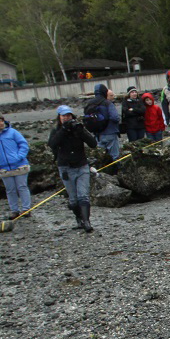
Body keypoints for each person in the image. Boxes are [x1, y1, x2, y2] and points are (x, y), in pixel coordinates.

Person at [48, 105, 97, 233]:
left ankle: (87, 222)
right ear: (59, 117)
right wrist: (63, 130)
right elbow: (52, 144)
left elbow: (93, 144)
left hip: (81, 165)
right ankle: (79, 219)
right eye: (64, 116)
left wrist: (81, 132)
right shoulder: (56, 131)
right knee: (74, 199)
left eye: (68, 115)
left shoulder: (78, 128)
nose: (66, 118)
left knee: (83, 196)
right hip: (65, 167)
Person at [0, 113, 31, 220]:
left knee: (22, 187)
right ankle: (14, 210)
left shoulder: (13, 132)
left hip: (20, 166)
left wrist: (19, 156)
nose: (0, 123)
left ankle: (26, 209)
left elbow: (23, 144)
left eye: (1, 120)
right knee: (10, 190)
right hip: (4, 168)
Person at [88, 83, 121, 160]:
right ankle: (115, 170)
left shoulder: (90, 103)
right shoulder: (107, 103)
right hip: (110, 132)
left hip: (97, 134)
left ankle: (102, 170)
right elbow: (115, 117)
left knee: (101, 157)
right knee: (114, 156)